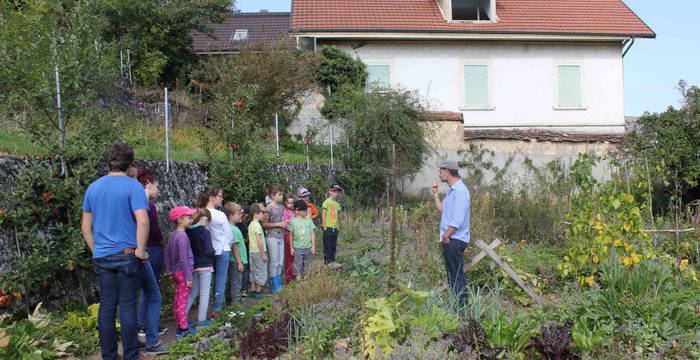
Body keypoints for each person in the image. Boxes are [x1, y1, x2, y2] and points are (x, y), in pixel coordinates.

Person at [81, 142, 150, 360]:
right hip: (128, 254)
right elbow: (143, 220)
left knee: (107, 306)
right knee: (128, 306)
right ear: (130, 162)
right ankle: (131, 355)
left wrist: (96, 250)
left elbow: (85, 227)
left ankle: (109, 356)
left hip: (102, 256)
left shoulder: (93, 187)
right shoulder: (134, 187)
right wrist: (140, 250)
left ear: (109, 161)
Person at [133, 169, 166, 353]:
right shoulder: (149, 206)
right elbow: (154, 229)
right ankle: (148, 329)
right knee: (151, 290)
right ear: (148, 184)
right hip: (150, 249)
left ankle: (141, 325)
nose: (158, 191)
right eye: (156, 187)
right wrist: (162, 242)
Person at [431, 160, 471, 311]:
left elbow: (458, 219)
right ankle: (457, 307)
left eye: (441, 172)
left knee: (457, 276)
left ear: (447, 172)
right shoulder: (452, 190)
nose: (439, 174)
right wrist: (435, 194)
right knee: (453, 275)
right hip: (450, 239)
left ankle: (461, 310)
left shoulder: (460, 191)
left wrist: (447, 236)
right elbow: (442, 210)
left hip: (454, 240)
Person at [195, 185, 234, 317]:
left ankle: (204, 310)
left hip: (207, 251)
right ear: (212, 198)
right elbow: (229, 236)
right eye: (220, 196)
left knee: (207, 282)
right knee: (220, 280)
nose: (222, 199)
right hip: (222, 249)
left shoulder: (200, 213)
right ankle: (217, 309)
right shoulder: (220, 215)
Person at [165, 206, 197, 339]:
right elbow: (183, 259)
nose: (191, 220)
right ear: (180, 220)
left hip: (177, 272)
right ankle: (184, 328)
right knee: (183, 301)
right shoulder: (183, 236)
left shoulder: (173, 235)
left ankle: (180, 322)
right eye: (189, 218)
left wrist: (169, 270)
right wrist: (189, 277)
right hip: (184, 272)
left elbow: (167, 253)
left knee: (178, 299)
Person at [185, 209, 215, 328]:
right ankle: (201, 321)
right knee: (204, 293)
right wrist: (213, 251)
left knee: (193, 292)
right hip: (205, 265)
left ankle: (183, 317)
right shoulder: (205, 232)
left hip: (194, 265)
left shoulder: (189, 231)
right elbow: (208, 250)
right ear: (205, 218)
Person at [261, 185, 289, 293]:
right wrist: (279, 224)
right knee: (274, 262)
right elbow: (264, 224)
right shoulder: (268, 209)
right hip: (271, 237)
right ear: (272, 196)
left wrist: (286, 223)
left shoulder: (282, 208)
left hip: (281, 236)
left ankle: (279, 284)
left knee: (280, 262)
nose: (281, 197)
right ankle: (274, 286)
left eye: (282, 194)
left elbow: (282, 219)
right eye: (279, 194)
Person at [224, 202, 246, 304]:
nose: (240, 216)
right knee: (236, 284)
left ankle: (229, 304)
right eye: (238, 214)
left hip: (233, 261)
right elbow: (235, 247)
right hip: (236, 261)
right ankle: (237, 306)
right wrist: (239, 262)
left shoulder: (230, 228)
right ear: (231, 216)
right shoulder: (233, 229)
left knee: (231, 283)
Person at [289, 200, 316, 280]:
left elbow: (312, 233)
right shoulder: (293, 222)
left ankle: (306, 280)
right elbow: (291, 235)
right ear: (297, 211)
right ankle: (299, 281)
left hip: (308, 247)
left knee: (308, 264)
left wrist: (313, 246)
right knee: (298, 264)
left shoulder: (309, 221)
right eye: (304, 210)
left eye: (306, 210)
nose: (306, 211)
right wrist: (291, 247)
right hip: (298, 247)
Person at [248, 204, 269, 299]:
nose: (263, 215)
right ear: (256, 214)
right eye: (262, 213)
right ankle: (258, 291)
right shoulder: (257, 226)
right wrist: (263, 254)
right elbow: (259, 241)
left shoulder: (251, 224)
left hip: (252, 251)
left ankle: (252, 290)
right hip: (259, 252)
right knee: (260, 270)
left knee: (253, 271)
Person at [321, 184, 342, 265]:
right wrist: (325, 228)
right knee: (327, 247)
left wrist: (337, 227)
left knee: (333, 246)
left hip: (334, 228)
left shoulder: (336, 204)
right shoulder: (326, 202)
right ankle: (327, 264)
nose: (336, 193)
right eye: (334, 191)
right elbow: (323, 215)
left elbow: (336, 215)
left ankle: (333, 262)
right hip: (328, 228)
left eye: (337, 192)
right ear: (330, 191)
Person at [237, 206, 251, 297]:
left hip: (236, 252)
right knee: (245, 270)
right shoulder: (242, 225)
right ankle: (244, 290)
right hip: (243, 251)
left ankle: (238, 290)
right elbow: (245, 239)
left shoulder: (234, 224)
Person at [282, 196, 296, 283]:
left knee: (295, 256)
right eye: (288, 203)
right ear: (285, 203)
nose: (290, 205)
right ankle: (289, 277)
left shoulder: (294, 212)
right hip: (287, 235)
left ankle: (295, 274)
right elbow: (286, 224)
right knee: (288, 257)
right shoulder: (284, 212)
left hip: (295, 236)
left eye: (292, 203)